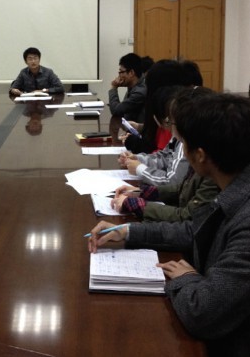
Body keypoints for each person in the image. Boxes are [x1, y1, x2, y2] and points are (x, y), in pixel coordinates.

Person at [88, 92, 250, 357]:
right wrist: (128, 231)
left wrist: (188, 280)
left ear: (200, 156)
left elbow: (202, 311)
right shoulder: (233, 187)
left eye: (183, 144)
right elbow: (193, 229)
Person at [111, 87, 219, 222]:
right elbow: (182, 189)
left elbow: (188, 219)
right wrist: (142, 192)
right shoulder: (201, 148)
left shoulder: (211, 165)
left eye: (171, 121)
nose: (170, 126)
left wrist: (139, 207)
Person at [108, 53, 146, 123]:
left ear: (131, 73)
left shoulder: (139, 92)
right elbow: (122, 110)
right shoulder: (133, 86)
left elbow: (116, 110)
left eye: (121, 72)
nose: (119, 76)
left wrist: (114, 87)